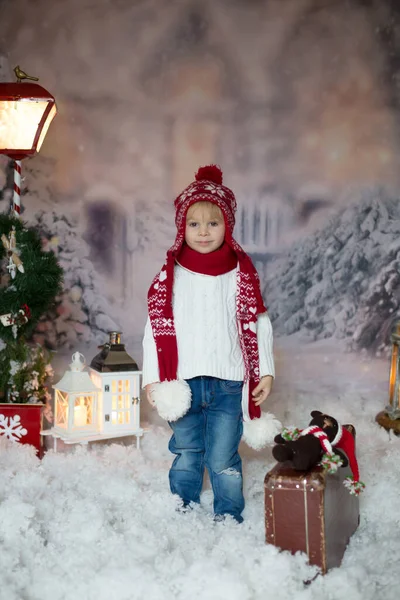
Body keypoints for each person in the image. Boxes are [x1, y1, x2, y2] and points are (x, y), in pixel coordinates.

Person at [142, 165, 280, 523]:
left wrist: (265, 370)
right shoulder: (171, 275)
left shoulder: (241, 273)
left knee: (222, 456)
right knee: (188, 449)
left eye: (213, 224)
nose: (203, 232)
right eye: (194, 224)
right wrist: (153, 379)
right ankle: (181, 506)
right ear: (181, 228)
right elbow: (153, 329)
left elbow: (259, 323)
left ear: (228, 226)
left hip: (228, 382)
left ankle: (229, 513)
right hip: (183, 382)